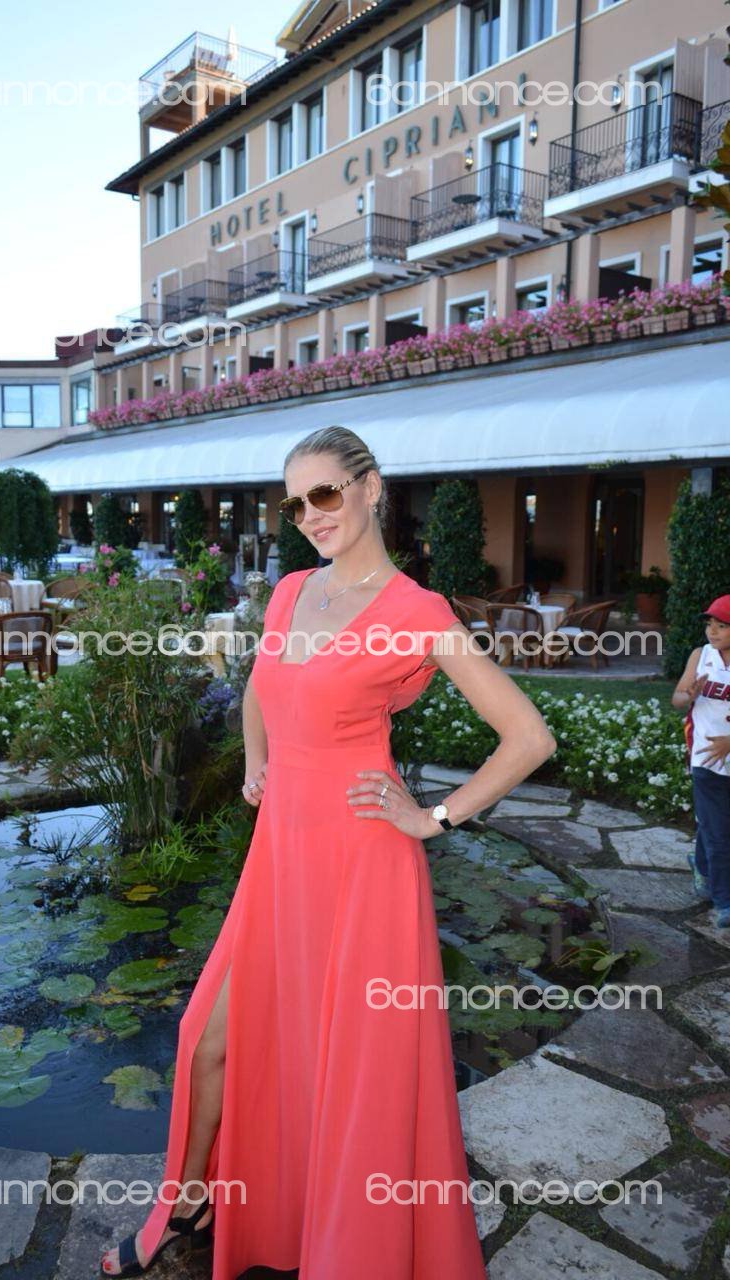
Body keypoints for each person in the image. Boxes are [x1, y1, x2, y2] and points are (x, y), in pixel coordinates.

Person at [101, 426, 557, 1279]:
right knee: (208, 1038)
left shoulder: (417, 612)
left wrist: (433, 817)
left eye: (325, 493)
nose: (311, 514)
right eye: (295, 503)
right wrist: (258, 761)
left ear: (371, 487)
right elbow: (258, 689)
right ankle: (191, 1203)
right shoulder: (290, 593)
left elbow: (529, 737)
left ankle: (346, 1250)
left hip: (362, 870)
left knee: (354, 1078)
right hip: (280, 861)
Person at [672, 594, 730, 925]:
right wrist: (689, 694)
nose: (712, 631)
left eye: (722, 625)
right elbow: (677, 699)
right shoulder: (701, 655)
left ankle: (702, 866)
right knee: (719, 830)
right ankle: (725, 902)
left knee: (714, 823)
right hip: (705, 757)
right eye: (710, 624)